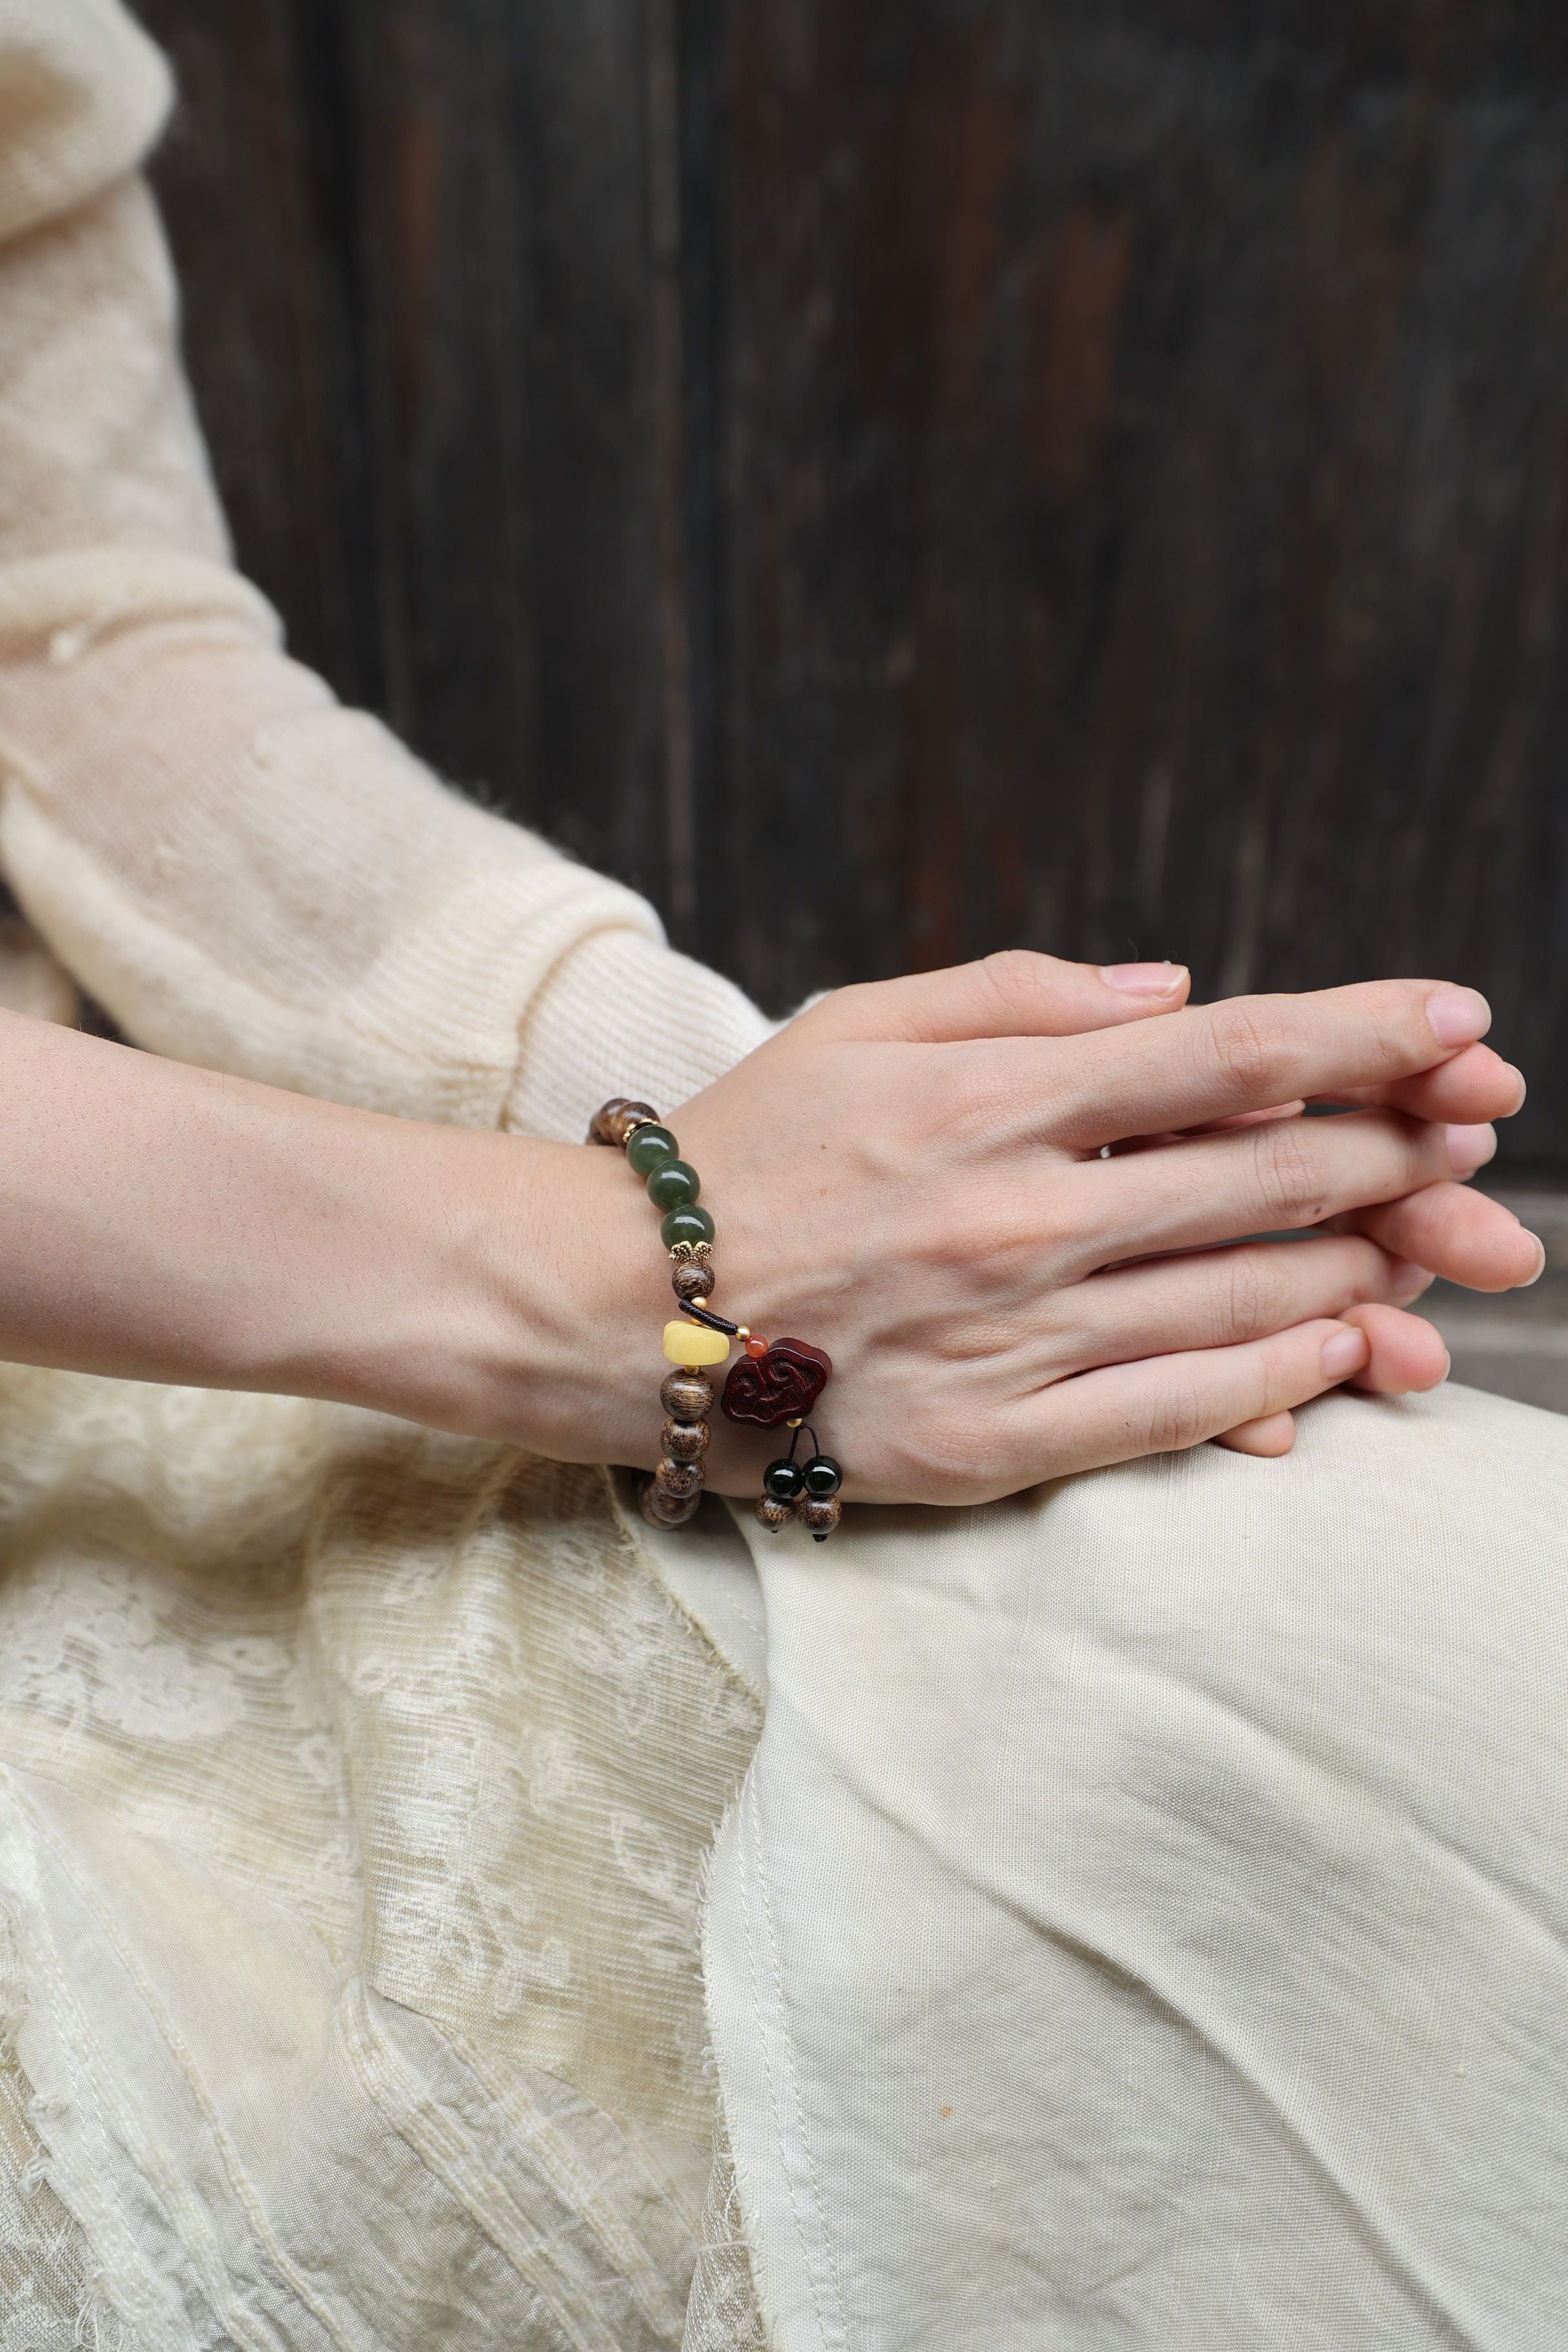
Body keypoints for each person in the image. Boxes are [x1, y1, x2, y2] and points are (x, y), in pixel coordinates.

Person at [0, 5, 1560, 2347]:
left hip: (194, 1256)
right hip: (248, 1324)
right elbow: (632, 1310)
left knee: (1433, 1650)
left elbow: (74, 630)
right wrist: (588, 1277)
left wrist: (750, 1130)